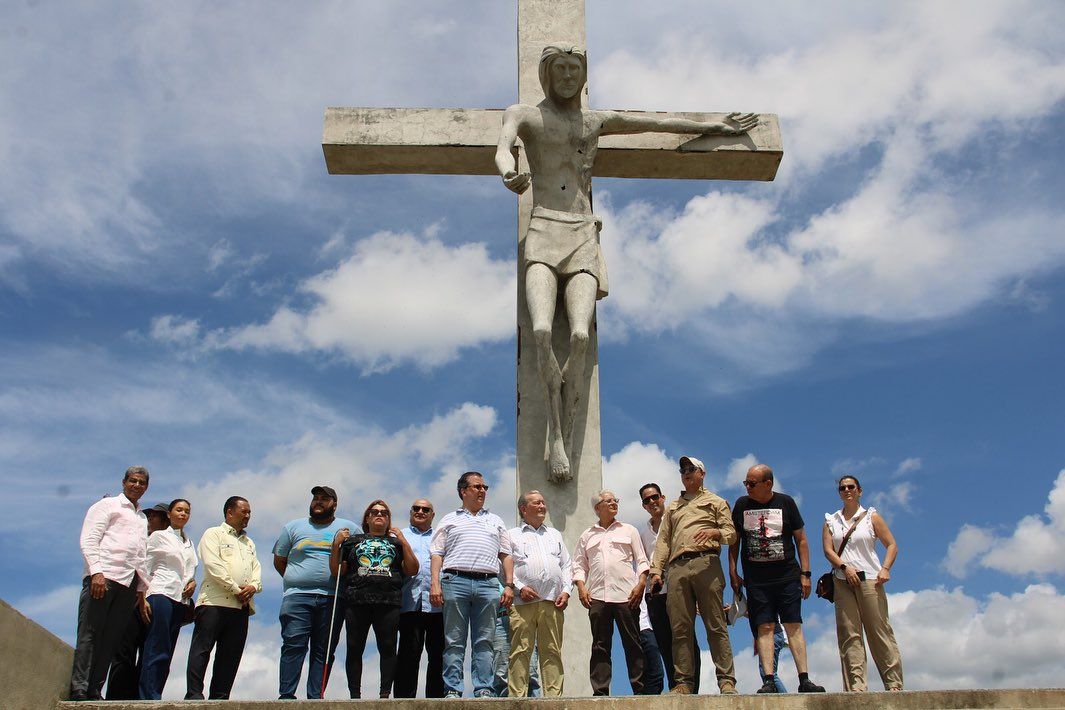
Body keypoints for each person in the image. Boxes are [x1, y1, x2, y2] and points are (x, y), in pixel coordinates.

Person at [495, 44, 758, 483]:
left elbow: (654, 123)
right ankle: (554, 437)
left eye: (574, 69)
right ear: (546, 74)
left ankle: (569, 428)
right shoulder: (525, 114)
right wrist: (507, 172)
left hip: (581, 232)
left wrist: (715, 125)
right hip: (543, 229)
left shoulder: (594, 121)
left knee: (579, 335)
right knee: (542, 330)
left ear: (583, 75)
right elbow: (504, 148)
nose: (566, 76)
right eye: (559, 68)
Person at [729, 464, 825, 694]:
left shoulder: (786, 503)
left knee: (793, 625)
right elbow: (734, 542)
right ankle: (769, 680)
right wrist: (733, 572)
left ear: (768, 484)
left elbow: (801, 539)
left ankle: (804, 679)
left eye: (752, 483)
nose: (748, 487)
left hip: (787, 576)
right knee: (765, 627)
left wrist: (806, 574)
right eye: (746, 483)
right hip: (756, 580)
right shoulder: (742, 505)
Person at [648, 457, 737, 694]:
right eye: (683, 470)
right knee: (680, 628)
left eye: (691, 469)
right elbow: (664, 540)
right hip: (676, 568)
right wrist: (656, 571)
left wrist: (714, 532)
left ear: (702, 473)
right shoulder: (674, 507)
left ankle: (726, 680)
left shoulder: (716, 502)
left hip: (706, 563)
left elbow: (731, 534)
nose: (686, 473)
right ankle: (684, 682)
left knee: (715, 624)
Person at [429, 471, 515, 698]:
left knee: (485, 641)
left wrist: (508, 585)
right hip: (455, 581)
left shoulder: (496, 520)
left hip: (488, 584)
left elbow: (506, 554)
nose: (482, 491)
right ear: (463, 491)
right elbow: (437, 553)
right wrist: (435, 584)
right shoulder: (449, 519)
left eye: (484, 487)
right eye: (477, 487)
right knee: (454, 641)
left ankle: (484, 688)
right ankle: (453, 690)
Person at [69, 466, 151, 701]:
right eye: (133, 481)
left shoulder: (141, 517)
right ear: (124, 482)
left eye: (142, 483)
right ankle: (79, 688)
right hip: (104, 577)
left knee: (111, 637)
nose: (137, 485)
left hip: (128, 583)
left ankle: (95, 689)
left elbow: (139, 555)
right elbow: (89, 539)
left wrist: (141, 588)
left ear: (146, 487)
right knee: (90, 633)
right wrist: (96, 572)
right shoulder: (106, 506)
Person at [272, 485, 360, 699]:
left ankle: (315, 698)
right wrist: (299, 578)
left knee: (324, 650)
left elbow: (357, 561)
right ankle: (286, 697)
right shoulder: (292, 527)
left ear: (334, 505)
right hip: (297, 596)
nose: (318, 502)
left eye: (324, 499)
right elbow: (279, 560)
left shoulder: (350, 528)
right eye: (316, 498)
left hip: (333, 598)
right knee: (294, 644)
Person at [822, 475, 903, 691]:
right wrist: (844, 567)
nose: (846, 490)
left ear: (859, 490)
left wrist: (885, 568)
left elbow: (892, 544)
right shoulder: (832, 520)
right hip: (842, 579)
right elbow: (828, 550)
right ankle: (856, 686)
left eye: (851, 487)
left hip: (870, 578)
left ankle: (893, 684)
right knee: (849, 634)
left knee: (879, 630)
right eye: (842, 488)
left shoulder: (870, 517)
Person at [331, 500, 417, 698]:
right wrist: (336, 545)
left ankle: (385, 694)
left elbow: (412, 569)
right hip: (357, 600)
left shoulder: (396, 542)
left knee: (388, 647)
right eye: (375, 512)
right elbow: (337, 571)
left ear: (389, 520)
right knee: (354, 647)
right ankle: (355, 695)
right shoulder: (352, 541)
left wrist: (404, 541)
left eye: (385, 513)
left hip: (389, 601)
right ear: (367, 518)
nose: (380, 515)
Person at [572, 490, 648, 695]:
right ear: (598, 508)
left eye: (616, 500)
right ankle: (600, 692)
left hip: (627, 595)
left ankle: (640, 690)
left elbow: (641, 560)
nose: (614, 503)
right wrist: (581, 587)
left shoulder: (629, 530)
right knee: (600, 646)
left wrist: (641, 583)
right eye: (608, 501)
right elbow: (578, 565)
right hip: (597, 596)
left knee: (633, 643)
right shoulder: (587, 535)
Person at [185, 496, 261, 700]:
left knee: (230, 655)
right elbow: (213, 565)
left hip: (241, 607)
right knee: (202, 649)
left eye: (249, 512)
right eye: (244, 511)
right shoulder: (213, 534)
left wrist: (254, 586)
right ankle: (193, 694)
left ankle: (220, 697)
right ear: (229, 512)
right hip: (214, 602)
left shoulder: (248, 541)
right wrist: (236, 588)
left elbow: (256, 568)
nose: (247, 516)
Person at [507, 490, 569, 697]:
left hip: (552, 601)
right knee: (520, 651)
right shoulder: (511, 534)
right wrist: (519, 587)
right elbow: (504, 568)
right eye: (537, 503)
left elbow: (567, 565)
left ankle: (554, 699)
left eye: (543, 502)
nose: (543, 506)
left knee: (552, 650)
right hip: (522, 603)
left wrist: (567, 591)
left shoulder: (554, 534)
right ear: (524, 509)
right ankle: (517, 698)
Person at [105, 502, 170, 699]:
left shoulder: (170, 543)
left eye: (155, 516)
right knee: (123, 651)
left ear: (165, 519)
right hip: (133, 599)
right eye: (148, 515)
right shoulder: (142, 539)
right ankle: (115, 698)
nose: (150, 519)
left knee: (147, 654)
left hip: (153, 603)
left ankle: (135, 698)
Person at [139, 499, 198, 699]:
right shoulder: (158, 536)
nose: (183, 514)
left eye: (186, 511)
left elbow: (189, 570)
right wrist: (142, 596)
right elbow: (146, 567)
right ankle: (148, 697)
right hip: (160, 592)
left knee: (169, 649)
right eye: (179, 510)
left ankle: (157, 693)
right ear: (170, 514)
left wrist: (192, 582)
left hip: (180, 599)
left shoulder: (189, 542)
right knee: (157, 645)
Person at [394, 498, 445, 698]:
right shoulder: (399, 536)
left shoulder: (442, 537)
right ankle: (403, 701)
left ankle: (436, 701)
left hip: (438, 606)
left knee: (439, 657)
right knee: (408, 655)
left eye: (426, 509)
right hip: (409, 603)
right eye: (416, 508)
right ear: (410, 512)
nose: (420, 511)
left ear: (433, 515)